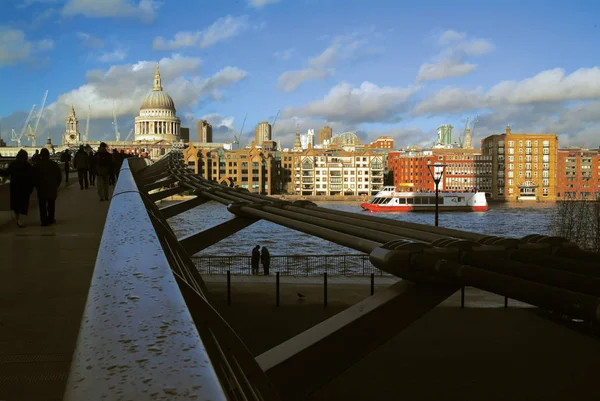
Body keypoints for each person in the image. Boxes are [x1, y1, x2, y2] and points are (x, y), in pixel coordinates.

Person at [0, 150, 34, 228]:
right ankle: (21, 219)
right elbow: (32, 178)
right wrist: (31, 188)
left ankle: (18, 218)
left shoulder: (13, 164)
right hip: (25, 188)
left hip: (15, 187)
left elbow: (6, 173)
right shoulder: (28, 166)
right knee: (24, 204)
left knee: (16, 204)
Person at [33, 148, 62, 226]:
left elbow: (34, 177)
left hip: (41, 187)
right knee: (51, 204)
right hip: (52, 187)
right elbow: (59, 176)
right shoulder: (54, 164)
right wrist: (56, 185)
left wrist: (37, 186)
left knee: (42, 205)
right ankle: (51, 218)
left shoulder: (37, 165)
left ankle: (44, 220)